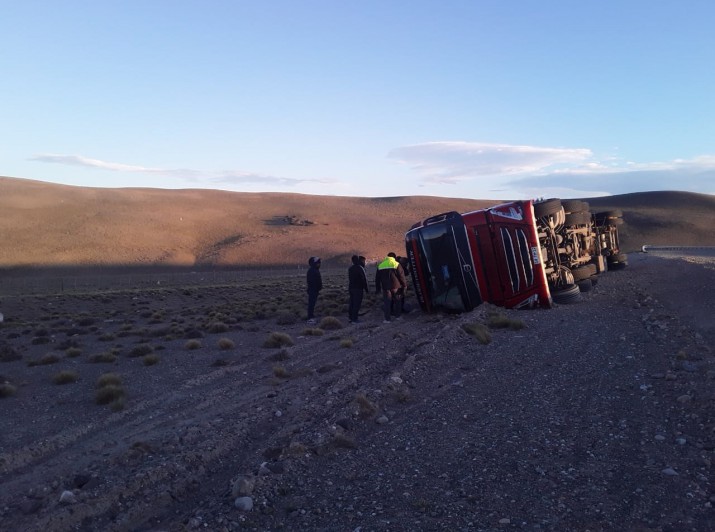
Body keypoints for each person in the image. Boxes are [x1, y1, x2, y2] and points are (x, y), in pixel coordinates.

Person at [374, 252, 407, 323]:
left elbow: (377, 279)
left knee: (387, 303)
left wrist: (378, 289)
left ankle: (387, 319)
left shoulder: (380, 265)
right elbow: (401, 276)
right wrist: (404, 285)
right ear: (394, 257)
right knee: (398, 301)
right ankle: (398, 316)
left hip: (386, 287)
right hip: (396, 287)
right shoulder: (396, 264)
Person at [348, 254, 369, 323]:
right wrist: (366, 289)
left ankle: (350, 317)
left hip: (351, 287)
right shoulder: (360, 268)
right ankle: (355, 319)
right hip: (358, 288)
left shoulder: (350, 268)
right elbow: (364, 279)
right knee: (357, 303)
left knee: (352, 303)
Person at [306, 256, 322, 323]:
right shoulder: (312, 271)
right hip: (313, 290)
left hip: (314, 290)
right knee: (311, 304)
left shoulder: (314, 270)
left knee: (312, 304)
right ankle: (310, 318)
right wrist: (316, 288)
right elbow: (313, 282)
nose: (319, 264)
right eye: (318, 263)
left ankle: (311, 316)